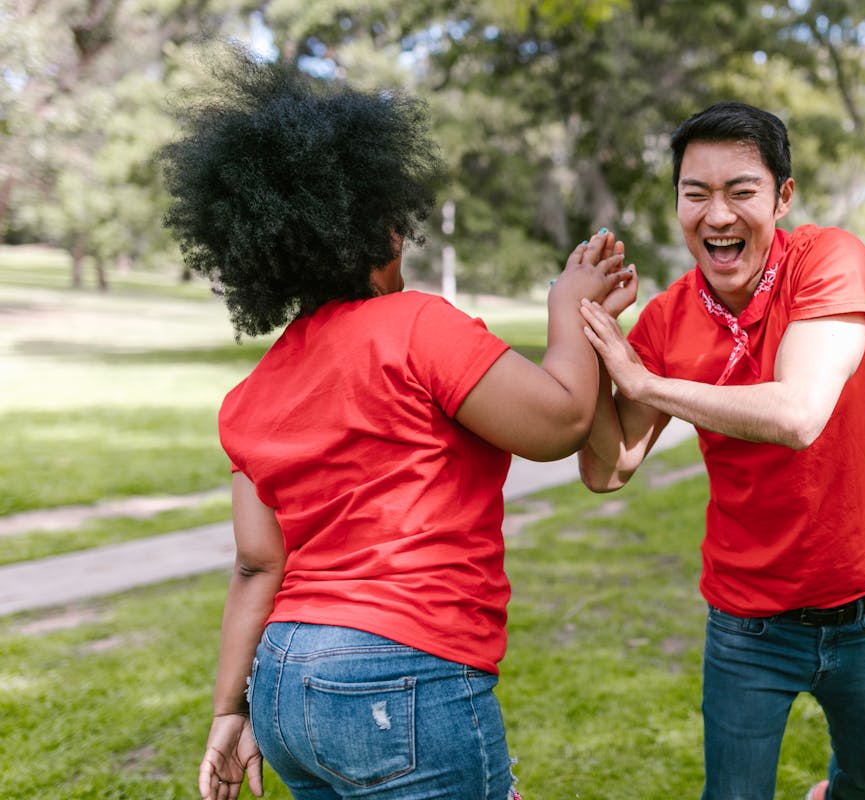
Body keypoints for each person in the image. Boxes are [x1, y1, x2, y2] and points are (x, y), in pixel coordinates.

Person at [160, 48, 629, 800]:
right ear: (378, 232)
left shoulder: (250, 395)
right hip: (402, 674)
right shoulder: (414, 325)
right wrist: (571, 308)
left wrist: (229, 707)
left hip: (283, 687)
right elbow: (562, 420)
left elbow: (256, 564)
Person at [576, 101, 865, 800]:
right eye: (695, 194)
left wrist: (648, 383)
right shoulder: (667, 320)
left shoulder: (828, 260)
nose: (717, 215)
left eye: (741, 191)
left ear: (783, 196)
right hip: (747, 626)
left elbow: (798, 414)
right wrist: (591, 343)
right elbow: (609, 469)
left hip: (864, 610)